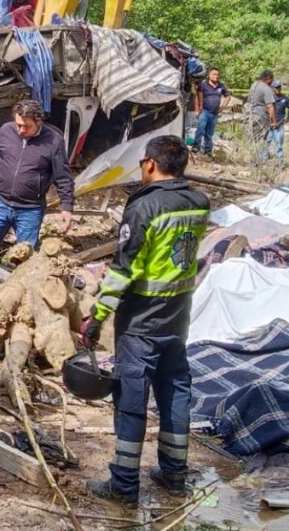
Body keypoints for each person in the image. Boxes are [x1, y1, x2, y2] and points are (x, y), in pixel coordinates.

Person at [82, 135, 210, 506]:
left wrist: (97, 316)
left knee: (131, 401)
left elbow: (124, 269)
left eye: (141, 164)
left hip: (141, 322)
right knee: (175, 394)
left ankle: (123, 485)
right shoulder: (199, 203)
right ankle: (174, 474)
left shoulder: (144, 208)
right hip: (178, 318)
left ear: (150, 164)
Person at [0, 101, 74, 308]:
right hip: (0, 203)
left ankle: (22, 302)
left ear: (39, 121)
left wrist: (67, 206)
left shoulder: (53, 141)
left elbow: (63, 176)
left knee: (26, 256)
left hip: (30, 209)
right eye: (18, 124)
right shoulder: (6, 131)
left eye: (25, 126)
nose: (20, 130)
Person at [192, 67, 230, 156]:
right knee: (200, 129)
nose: (216, 76)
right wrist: (198, 109)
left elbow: (228, 96)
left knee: (209, 132)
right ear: (209, 75)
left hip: (215, 113)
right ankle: (196, 146)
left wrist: (223, 107)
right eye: (214, 74)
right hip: (205, 111)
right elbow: (198, 96)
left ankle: (208, 150)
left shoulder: (221, 86)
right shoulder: (203, 85)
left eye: (217, 75)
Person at [245, 70, 277, 158]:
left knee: (252, 138)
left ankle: (250, 157)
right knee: (260, 141)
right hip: (261, 117)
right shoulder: (266, 89)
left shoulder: (254, 85)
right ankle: (256, 160)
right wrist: (274, 121)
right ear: (269, 78)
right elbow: (270, 106)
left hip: (251, 114)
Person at [262, 80, 289, 165]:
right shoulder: (269, 98)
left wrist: (288, 119)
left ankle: (279, 162)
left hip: (279, 124)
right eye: (276, 87)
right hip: (269, 124)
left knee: (279, 143)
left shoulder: (285, 99)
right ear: (272, 88)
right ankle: (263, 160)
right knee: (266, 142)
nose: (278, 89)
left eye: (279, 87)